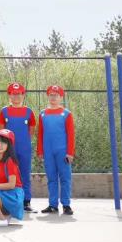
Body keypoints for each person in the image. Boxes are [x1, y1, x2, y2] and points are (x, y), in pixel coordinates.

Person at [0, 82, 36, 211]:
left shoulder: (29, 112)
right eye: (14, 94)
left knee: (25, 173)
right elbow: (1, 131)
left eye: (19, 94)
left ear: (23, 95)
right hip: (9, 148)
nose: (16, 97)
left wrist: (24, 142)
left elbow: (31, 130)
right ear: (9, 95)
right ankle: (8, 200)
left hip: (24, 148)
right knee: (8, 174)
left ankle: (26, 201)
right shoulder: (4, 111)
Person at [38, 85, 75, 215]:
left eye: (56, 95)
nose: (53, 97)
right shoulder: (42, 114)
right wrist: (40, 151)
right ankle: (53, 205)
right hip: (48, 152)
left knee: (65, 178)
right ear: (48, 96)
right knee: (51, 178)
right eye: (51, 95)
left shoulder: (66, 114)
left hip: (63, 151)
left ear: (61, 97)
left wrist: (70, 153)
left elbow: (71, 134)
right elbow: (40, 134)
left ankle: (66, 205)